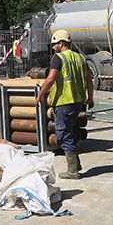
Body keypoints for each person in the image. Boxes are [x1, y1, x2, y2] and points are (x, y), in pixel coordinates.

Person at [36, 29, 94, 179]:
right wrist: (90, 97)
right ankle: (76, 163)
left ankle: (72, 171)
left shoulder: (58, 58)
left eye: (55, 44)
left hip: (64, 102)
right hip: (78, 101)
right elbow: (89, 79)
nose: (53, 46)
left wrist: (40, 95)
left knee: (62, 134)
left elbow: (50, 79)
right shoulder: (80, 58)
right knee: (71, 130)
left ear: (61, 44)